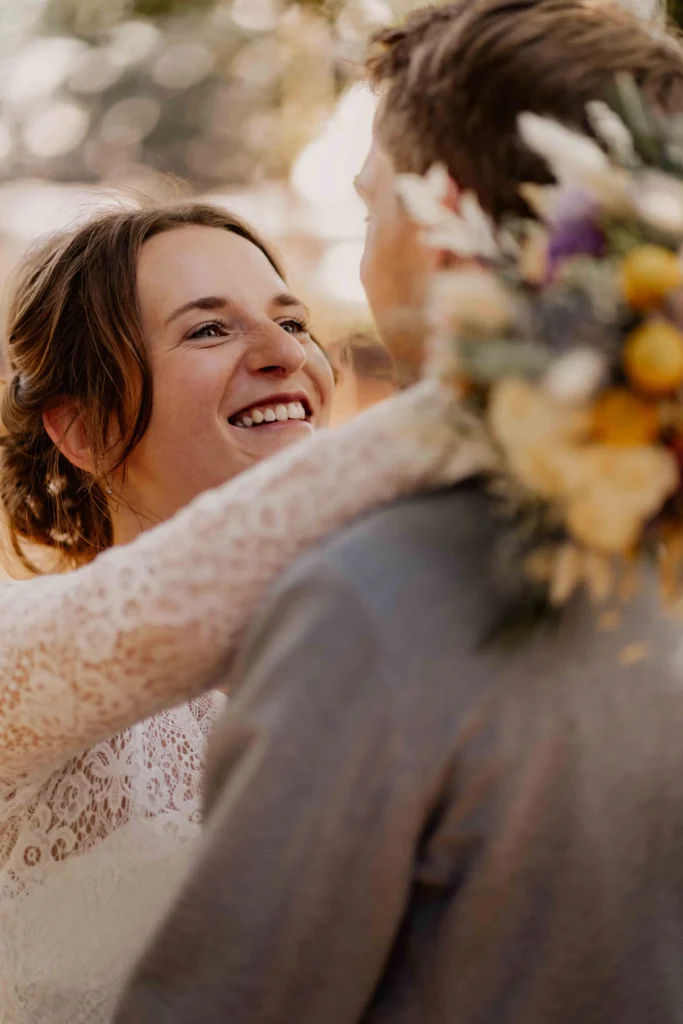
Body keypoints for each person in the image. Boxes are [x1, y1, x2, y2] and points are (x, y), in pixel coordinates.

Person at [114, 4, 683, 1024]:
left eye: (369, 205)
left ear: (435, 219)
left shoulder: (378, 599)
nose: (295, 343)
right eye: (209, 326)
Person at [0, 201, 473, 1024]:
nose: (284, 354)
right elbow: (179, 601)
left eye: (292, 320)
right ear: (81, 428)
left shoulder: (401, 659)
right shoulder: (21, 655)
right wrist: (515, 402)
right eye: (209, 331)